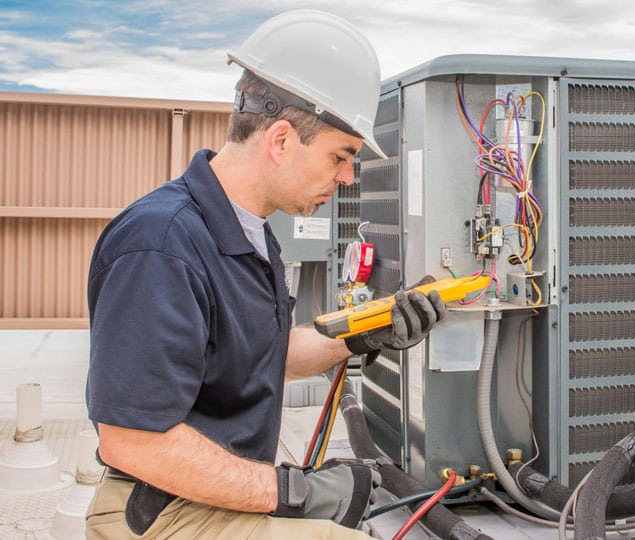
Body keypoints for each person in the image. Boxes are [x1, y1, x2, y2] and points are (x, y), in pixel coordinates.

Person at [84, 10, 446, 539]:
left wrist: (369, 330)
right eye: (340, 156)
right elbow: (132, 441)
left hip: (206, 496)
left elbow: (266, 357)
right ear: (280, 140)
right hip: (160, 511)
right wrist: (292, 492)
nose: (348, 177)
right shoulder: (161, 245)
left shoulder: (248, 233)